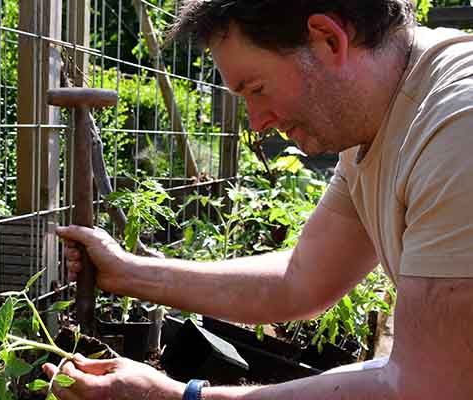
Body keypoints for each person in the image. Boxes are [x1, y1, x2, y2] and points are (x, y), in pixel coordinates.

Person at [42, 1, 473, 399]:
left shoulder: (457, 127)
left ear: (328, 39)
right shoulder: (376, 119)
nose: (258, 122)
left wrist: (177, 395)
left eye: (256, 88)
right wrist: (129, 274)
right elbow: (299, 279)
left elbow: (424, 389)